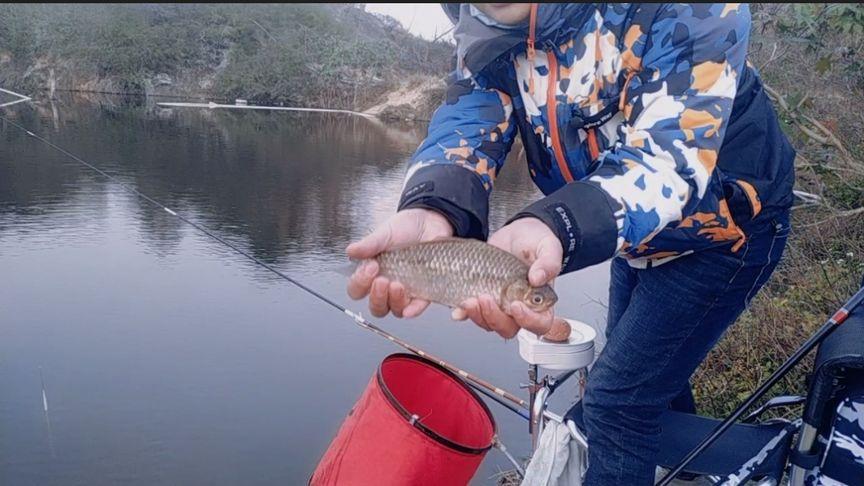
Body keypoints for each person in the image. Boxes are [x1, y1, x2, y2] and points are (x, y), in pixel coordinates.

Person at [347, 3, 794, 484]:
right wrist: (436, 207)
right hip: (625, 235)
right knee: (648, 377)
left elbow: (666, 159)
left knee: (615, 407)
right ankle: (681, 475)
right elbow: (468, 124)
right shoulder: (482, 29)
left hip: (725, 232)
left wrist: (559, 224)